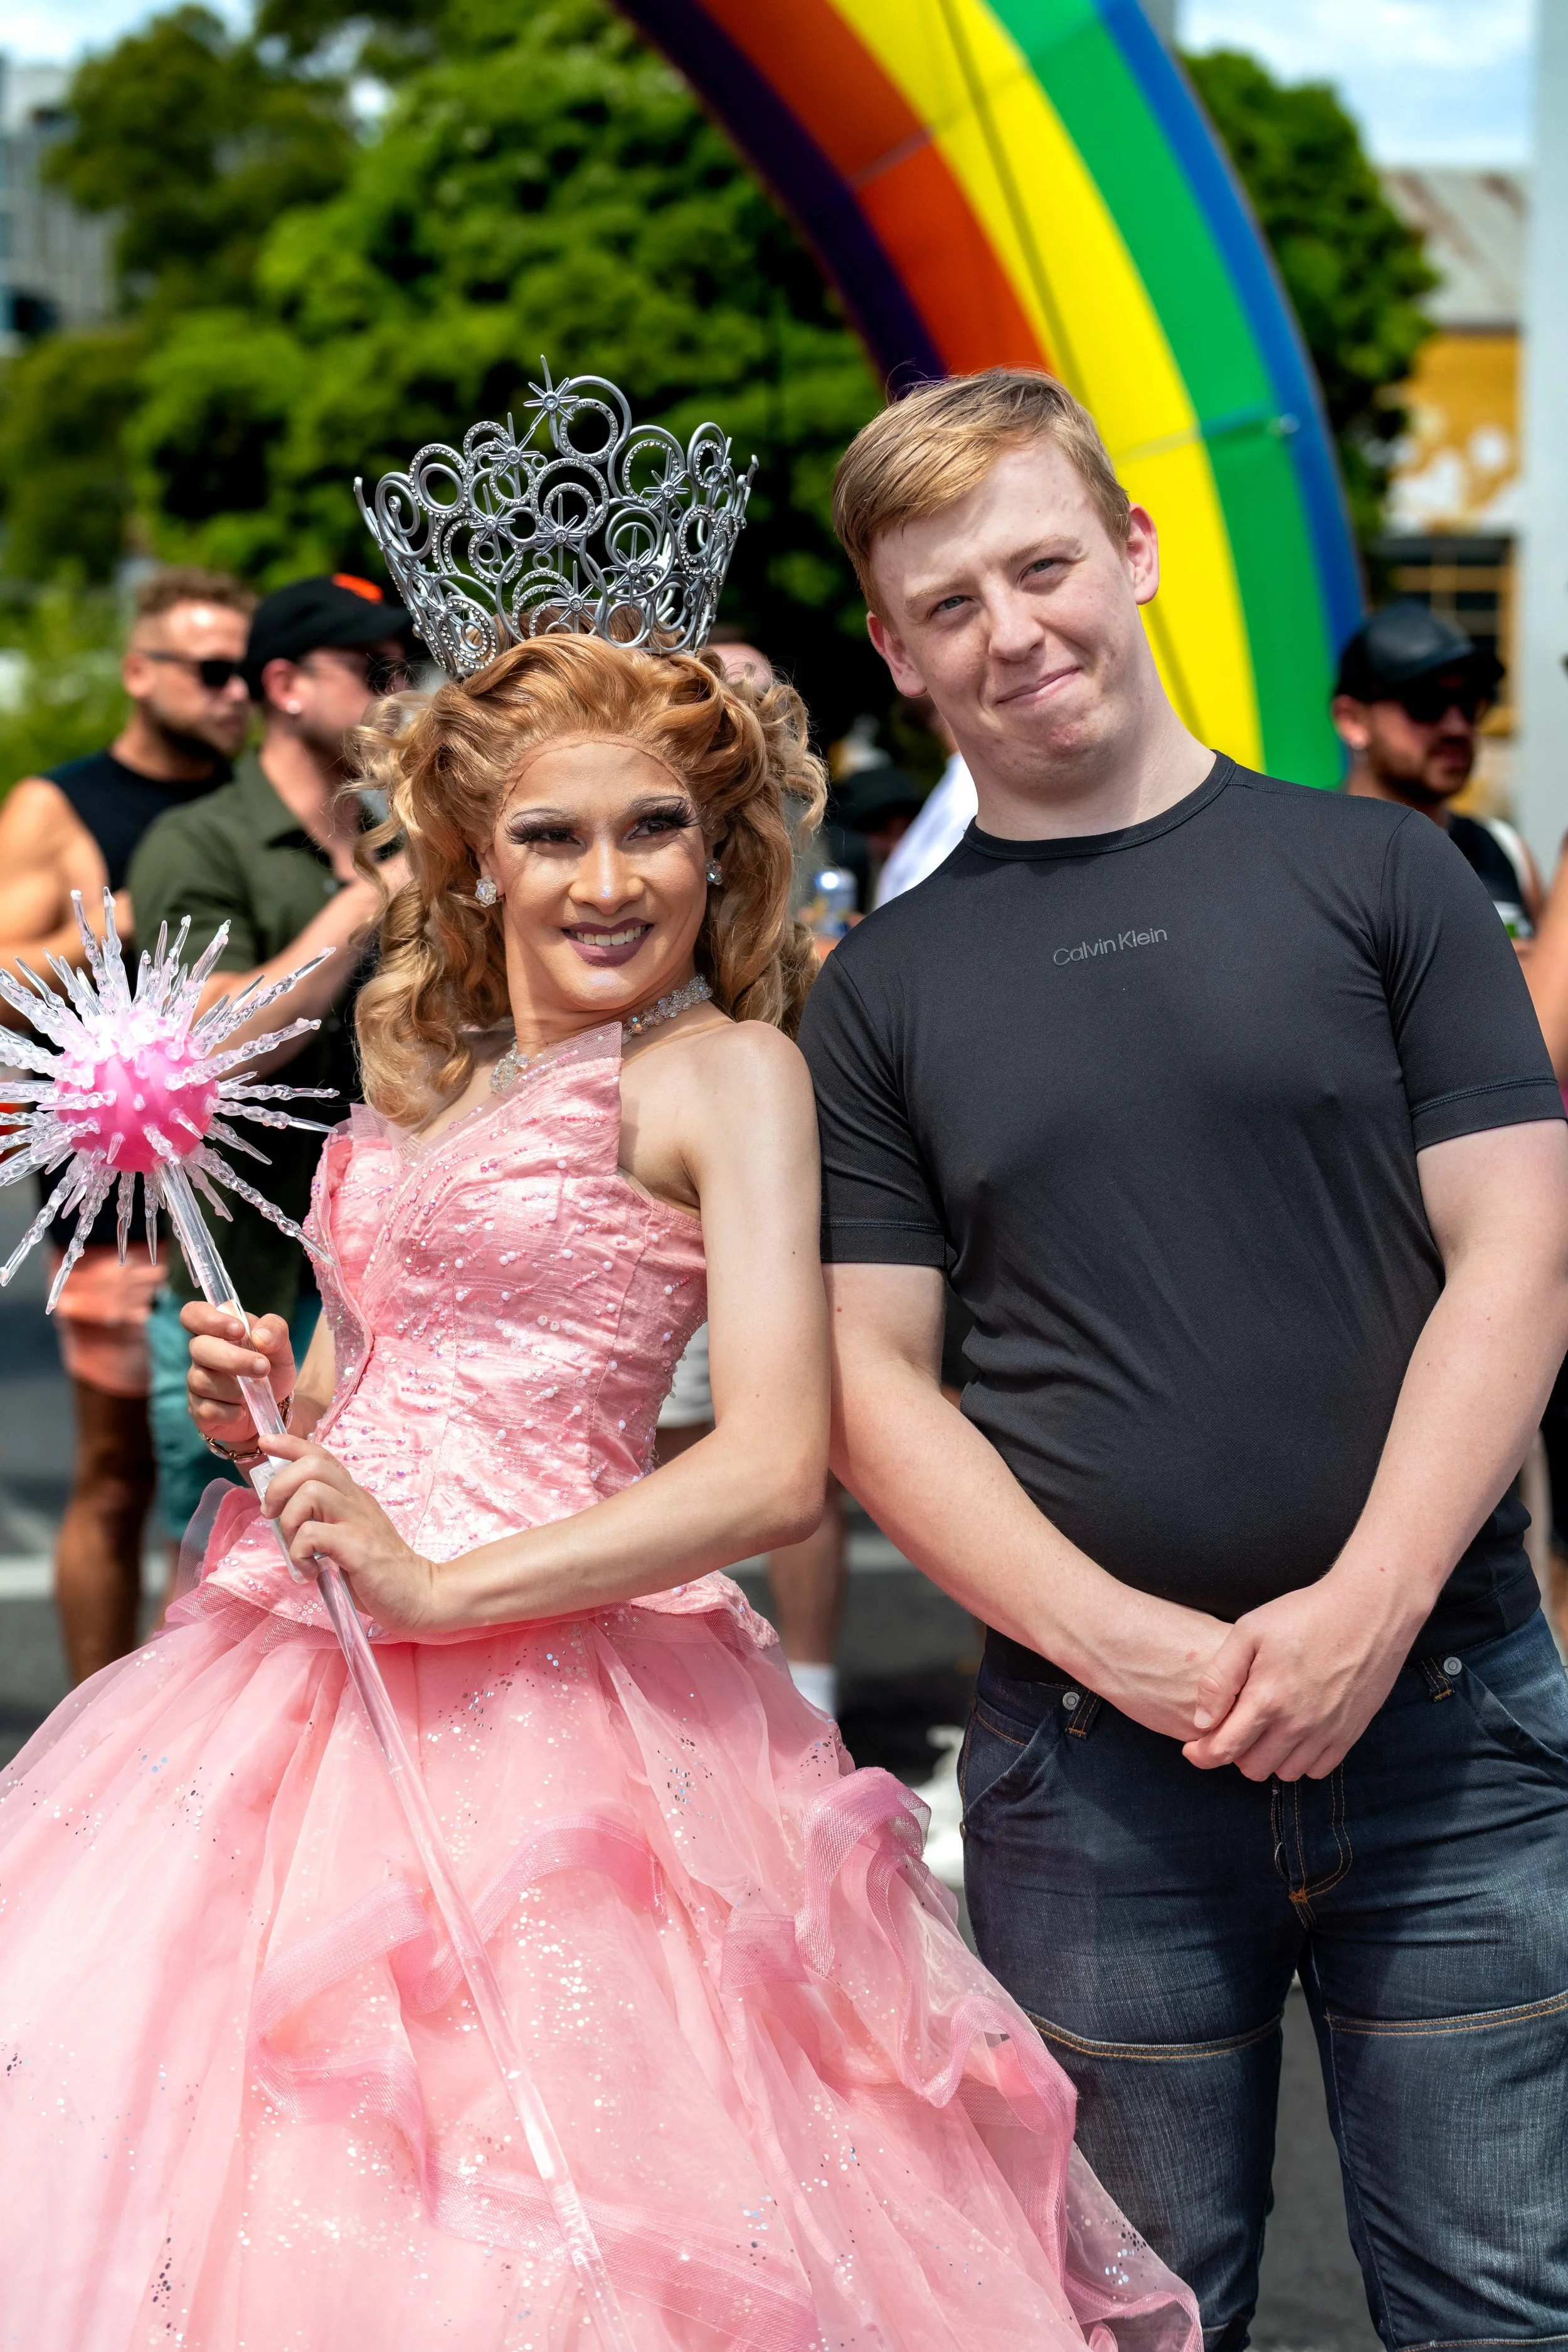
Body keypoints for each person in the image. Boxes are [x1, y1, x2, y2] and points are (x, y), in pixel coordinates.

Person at [0, 588, 1196, 2344]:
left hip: (579, 1708)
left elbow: (781, 1463)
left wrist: (440, 1581)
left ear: (719, 852)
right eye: (550, 835)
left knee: (558, 2194)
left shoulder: (724, 1073)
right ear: (476, 858)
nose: (606, 878)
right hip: (287, 1687)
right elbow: (358, 1396)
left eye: (654, 829)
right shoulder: (431, 1066)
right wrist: (275, 1418)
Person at [800, 368, 1568, 2349]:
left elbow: (1516, 1249)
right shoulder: (875, 989)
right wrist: (1120, 1641)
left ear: (1132, 551)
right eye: (945, 602)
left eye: (1040, 562)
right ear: (891, 649)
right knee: (1130, 2322)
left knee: (1497, 2305)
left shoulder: (1384, 877)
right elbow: (868, 1381)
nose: (1010, 629)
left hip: (1450, 1726)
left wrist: (1365, 1611)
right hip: (1091, 1765)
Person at [0, 565, 255, 1680]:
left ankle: (184, 1736)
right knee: (119, 1469)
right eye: (208, 669)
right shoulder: (62, 808)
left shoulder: (256, 802)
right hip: (117, 1186)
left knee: (230, 1475)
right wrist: (106, 931)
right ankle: (84, 1730)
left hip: (245, 1184)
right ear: (139, 674)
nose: (233, 691)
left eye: (247, 670)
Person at [127, 573, 412, 1547]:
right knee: (226, 1569)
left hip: (387, 1283)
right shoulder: (198, 839)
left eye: (403, 665)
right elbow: (216, 1049)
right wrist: (369, 903)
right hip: (244, 1291)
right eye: (371, 668)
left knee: (371, 1561)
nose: (396, 689)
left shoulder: (408, 836)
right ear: (285, 686)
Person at [658, 634, 852, 1720]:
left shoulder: (744, 1053)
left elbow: (775, 1480)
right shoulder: (461, 1046)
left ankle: (801, 1696)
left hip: (762, 1190)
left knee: (760, 1459)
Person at [1333, 600, 1539, 933]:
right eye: (1426, 703)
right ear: (1352, 719)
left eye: (1471, 704)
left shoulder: (1506, 851)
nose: (1457, 728)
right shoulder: (1300, 854)